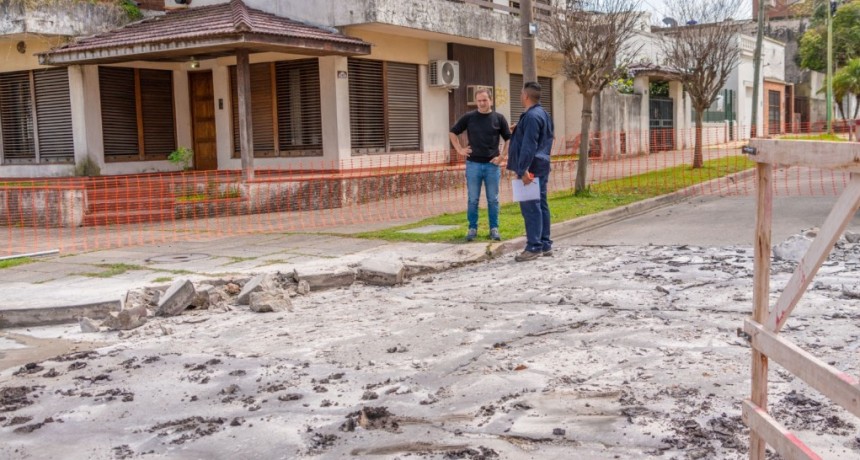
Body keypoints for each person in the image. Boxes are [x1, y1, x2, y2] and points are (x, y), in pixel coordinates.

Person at [449, 88, 512, 241]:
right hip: (473, 165)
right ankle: (472, 228)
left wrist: (502, 157)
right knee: (472, 199)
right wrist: (459, 149)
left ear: (491, 100)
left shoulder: (499, 118)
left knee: (493, 199)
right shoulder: (469, 117)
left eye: (485, 100)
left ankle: (494, 229)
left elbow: (509, 138)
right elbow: (453, 132)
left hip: (492, 166)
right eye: (479, 100)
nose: (482, 103)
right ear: (476, 101)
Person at [507, 81, 554, 262]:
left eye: (521, 93)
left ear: (526, 96)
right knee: (541, 205)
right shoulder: (542, 114)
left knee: (531, 207)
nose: (520, 96)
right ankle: (545, 244)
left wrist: (523, 169)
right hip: (540, 165)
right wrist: (518, 129)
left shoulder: (532, 117)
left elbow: (530, 144)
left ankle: (534, 246)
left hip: (531, 167)